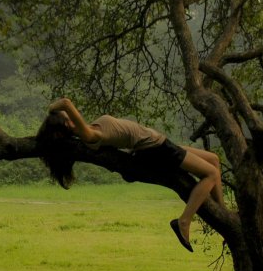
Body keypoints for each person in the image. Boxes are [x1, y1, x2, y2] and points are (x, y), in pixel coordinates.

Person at [36, 97, 223, 252]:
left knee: (214, 159)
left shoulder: (92, 129)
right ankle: (184, 221)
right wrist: (51, 109)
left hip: (158, 144)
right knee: (211, 173)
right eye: (66, 115)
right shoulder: (89, 135)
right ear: (67, 122)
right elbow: (66, 103)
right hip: (156, 148)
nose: (70, 113)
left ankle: (222, 212)